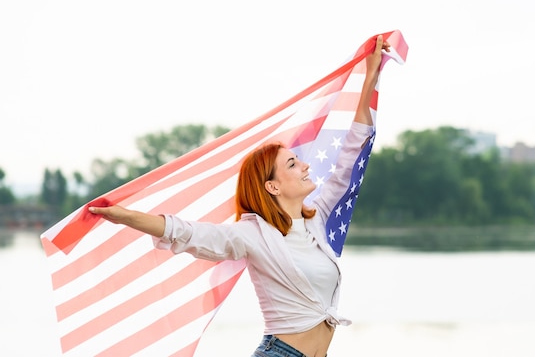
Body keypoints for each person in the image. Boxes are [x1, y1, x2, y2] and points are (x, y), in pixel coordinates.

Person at [89, 34, 390, 357]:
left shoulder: (316, 218)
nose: (305, 165)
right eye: (292, 163)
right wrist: (124, 216)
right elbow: (188, 233)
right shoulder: (253, 235)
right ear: (272, 187)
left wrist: (370, 78)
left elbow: (349, 158)